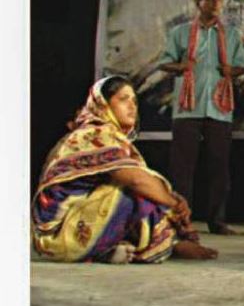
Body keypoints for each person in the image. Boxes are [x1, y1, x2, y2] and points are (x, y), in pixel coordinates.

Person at [32, 76, 218, 263]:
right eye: (123, 99)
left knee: (147, 192)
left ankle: (109, 250)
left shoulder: (112, 136)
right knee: (136, 193)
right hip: (57, 233)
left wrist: (172, 197)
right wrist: (174, 204)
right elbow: (136, 180)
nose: (132, 106)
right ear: (103, 104)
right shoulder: (93, 133)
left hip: (78, 220)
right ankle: (171, 244)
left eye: (134, 101)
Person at [159, 0, 244, 235]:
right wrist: (181, 66)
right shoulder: (180, 33)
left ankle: (217, 221)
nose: (215, 3)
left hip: (219, 109)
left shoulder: (230, 35)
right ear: (198, 2)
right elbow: (164, 62)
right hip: (187, 108)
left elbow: (242, 65)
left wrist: (232, 70)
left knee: (219, 167)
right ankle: (181, 221)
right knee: (182, 169)